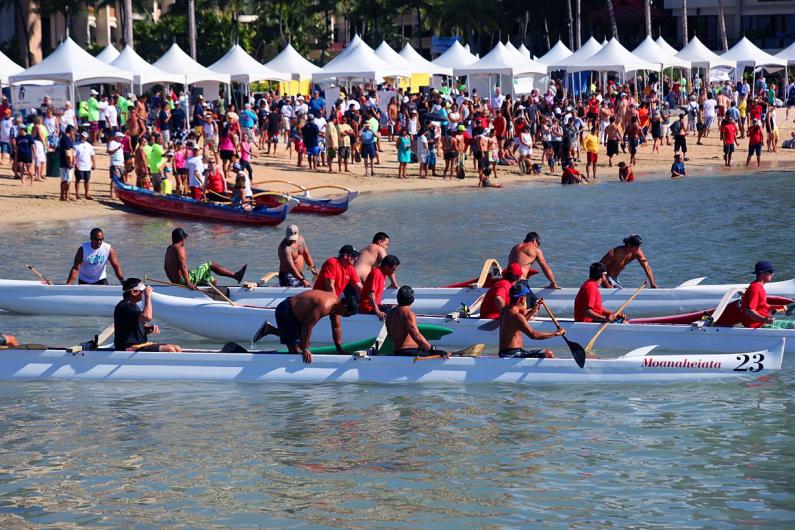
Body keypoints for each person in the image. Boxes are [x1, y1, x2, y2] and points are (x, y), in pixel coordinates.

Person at [259, 289, 356, 364]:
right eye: (346, 314)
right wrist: (306, 349)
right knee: (295, 352)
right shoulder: (325, 306)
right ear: (344, 306)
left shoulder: (336, 305)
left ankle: (269, 329)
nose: (343, 316)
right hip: (287, 311)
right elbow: (307, 326)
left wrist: (339, 349)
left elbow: (336, 328)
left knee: (299, 344)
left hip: (299, 315)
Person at [164, 228, 247, 289]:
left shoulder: (169, 249)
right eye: (184, 238)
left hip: (178, 281)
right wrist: (188, 283)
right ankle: (236, 276)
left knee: (212, 280)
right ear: (182, 239)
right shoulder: (179, 249)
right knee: (210, 264)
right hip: (184, 281)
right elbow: (183, 266)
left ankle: (206, 293)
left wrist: (174, 282)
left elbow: (166, 268)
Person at [114, 278, 181, 352]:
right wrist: (148, 296)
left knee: (177, 348)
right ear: (134, 292)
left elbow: (134, 325)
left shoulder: (133, 306)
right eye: (142, 291)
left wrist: (148, 328)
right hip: (129, 347)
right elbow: (148, 317)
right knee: (170, 350)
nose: (143, 294)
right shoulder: (124, 306)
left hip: (140, 345)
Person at [498, 281, 562, 358]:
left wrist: (533, 311)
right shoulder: (517, 316)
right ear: (521, 299)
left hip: (505, 352)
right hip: (513, 354)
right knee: (548, 353)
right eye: (526, 296)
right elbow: (534, 335)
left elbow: (520, 322)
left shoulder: (505, 310)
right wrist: (556, 333)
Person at [386, 286, 447, 357]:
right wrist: (432, 350)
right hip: (408, 352)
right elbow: (416, 335)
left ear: (397, 298)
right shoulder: (408, 313)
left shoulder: (390, 313)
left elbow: (390, 335)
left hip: (397, 351)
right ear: (413, 298)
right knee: (442, 354)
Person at [741, 261, 793, 329]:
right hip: (758, 326)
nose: (773, 274)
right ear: (762, 273)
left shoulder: (758, 286)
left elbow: (762, 307)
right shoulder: (755, 288)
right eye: (771, 272)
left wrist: (776, 307)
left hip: (762, 323)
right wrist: (764, 320)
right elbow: (749, 311)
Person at [359, 255, 400, 320]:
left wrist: (393, 284)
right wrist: (377, 311)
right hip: (368, 308)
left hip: (377, 305)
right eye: (393, 268)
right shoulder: (376, 273)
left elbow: (378, 292)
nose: (394, 271)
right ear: (386, 266)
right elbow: (371, 294)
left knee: (399, 307)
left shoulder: (383, 274)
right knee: (397, 311)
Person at [73, 131, 96, 199]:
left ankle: (86, 194)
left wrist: (94, 164)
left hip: (87, 166)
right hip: (79, 166)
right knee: (78, 180)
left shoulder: (89, 145)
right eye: (82, 136)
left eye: (84, 137)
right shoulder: (75, 145)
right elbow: (73, 156)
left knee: (87, 181)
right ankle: (77, 194)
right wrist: (76, 164)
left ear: (86, 138)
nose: (82, 138)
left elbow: (92, 155)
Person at [58, 125, 76, 201]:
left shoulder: (65, 138)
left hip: (66, 162)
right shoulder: (66, 139)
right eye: (73, 132)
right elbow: (67, 152)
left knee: (66, 180)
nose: (74, 133)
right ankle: (63, 196)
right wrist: (70, 163)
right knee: (65, 180)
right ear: (71, 131)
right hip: (66, 163)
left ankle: (66, 195)